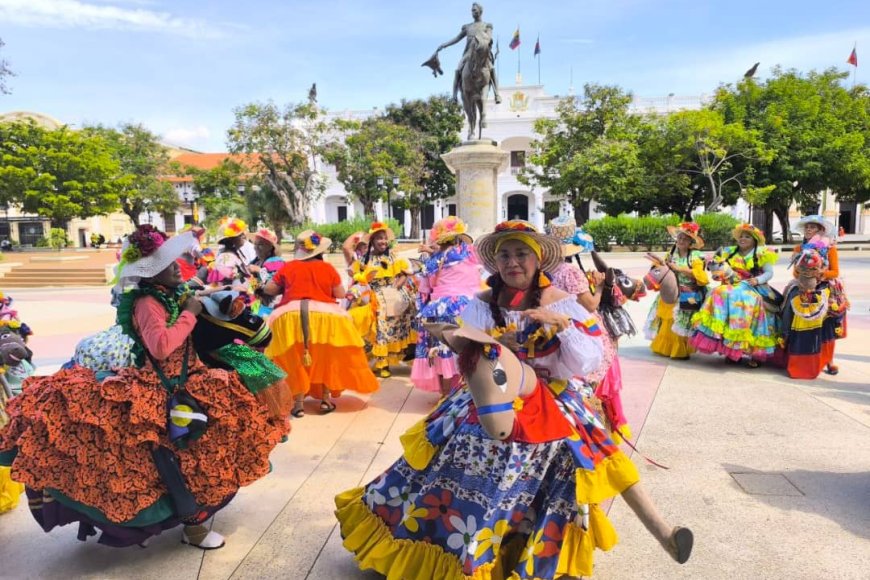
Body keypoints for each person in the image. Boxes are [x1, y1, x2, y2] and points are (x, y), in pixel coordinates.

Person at [335, 221, 693, 579]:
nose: (512, 262)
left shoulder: (563, 301)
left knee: (596, 456)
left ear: (538, 260)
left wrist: (562, 327)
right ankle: (455, 545)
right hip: (494, 394)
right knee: (451, 450)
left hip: (554, 395)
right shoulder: (482, 302)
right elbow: (465, 357)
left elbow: (588, 362)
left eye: (521, 254)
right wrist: (491, 347)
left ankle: (663, 535)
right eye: (504, 255)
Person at [0, 225, 287, 549]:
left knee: (210, 451)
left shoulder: (168, 292)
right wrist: (189, 315)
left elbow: (196, 298)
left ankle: (193, 521)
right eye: (168, 264)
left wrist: (215, 295)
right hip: (165, 388)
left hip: (189, 379)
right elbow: (161, 346)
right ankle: (193, 527)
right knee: (181, 459)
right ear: (151, 273)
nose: (177, 267)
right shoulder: (148, 302)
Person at [264, 230, 379, 418]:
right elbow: (340, 294)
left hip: (290, 316)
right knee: (326, 357)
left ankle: (298, 404)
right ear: (320, 251)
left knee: (294, 357)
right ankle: (325, 400)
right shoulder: (328, 268)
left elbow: (269, 289)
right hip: (327, 316)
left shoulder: (288, 267)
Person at [548, 216, 631, 440]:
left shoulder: (546, 269)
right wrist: (601, 285)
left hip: (556, 326)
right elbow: (591, 304)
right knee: (592, 381)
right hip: (581, 329)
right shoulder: (570, 271)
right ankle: (595, 433)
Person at [690, 223, 780, 367]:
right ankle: (730, 350)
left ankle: (754, 354)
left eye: (747, 237)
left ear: (755, 240)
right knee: (716, 292)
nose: (743, 239)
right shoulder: (730, 252)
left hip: (754, 287)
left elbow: (769, 273)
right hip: (733, 285)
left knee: (741, 300)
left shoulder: (762, 253)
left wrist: (757, 280)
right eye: (741, 236)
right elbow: (722, 270)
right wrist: (718, 274)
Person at [410, 217, 482, 396]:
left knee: (443, 351)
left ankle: (446, 394)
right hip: (469, 306)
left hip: (443, 308)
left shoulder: (436, 259)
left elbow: (424, 284)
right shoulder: (470, 254)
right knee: (467, 349)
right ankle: (467, 392)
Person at [347, 222, 417, 378]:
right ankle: (382, 364)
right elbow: (357, 278)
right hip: (374, 295)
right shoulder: (365, 260)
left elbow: (404, 275)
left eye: (385, 238)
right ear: (372, 241)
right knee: (378, 316)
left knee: (411, 307)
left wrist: (395, 288)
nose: (383, 241)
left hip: (394, 291)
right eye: (379, 238)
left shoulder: (393, 257)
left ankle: (409, 353)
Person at [782, 215, 848, 377]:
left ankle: (829, 360)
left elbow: (835, 272)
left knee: (830, 320)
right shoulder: (799, 249)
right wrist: (804, 272)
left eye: (812, 227)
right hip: (803, 284)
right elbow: (795, 273)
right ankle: (785, 337)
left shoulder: (830, 248)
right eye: (806, 227)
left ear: (821, 230)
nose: (808, 230)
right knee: (788, 304)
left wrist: (820, 273)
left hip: (824, 285)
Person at [645, 222, 709, 359]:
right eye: (679, 237)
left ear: (691, 242)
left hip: (688, 292)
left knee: (681, 320)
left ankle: (680, 349)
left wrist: (680, 269)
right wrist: (658, 265)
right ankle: (667, 348)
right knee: (667, 319)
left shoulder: (696, 256)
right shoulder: (670, 253)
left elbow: (702, 277)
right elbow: (662, 268)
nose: (681, 241)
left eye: (685, 239)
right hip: (670, 290)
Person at [434, 2, 502, 105]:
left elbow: (489, 37)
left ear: (480, 11)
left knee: (491, 68)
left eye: (474, 10)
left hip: (482, 53)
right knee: (458, 69)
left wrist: (483, 41)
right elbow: (457, 38)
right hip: (468, 53)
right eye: (472, 10)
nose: (473, 12)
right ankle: (454, 95)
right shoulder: (467, 27)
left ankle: (497, 94)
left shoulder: (487, 26)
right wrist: (445, 45)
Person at [248, 228, 285, 317]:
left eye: (260, 244)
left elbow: (275, 283)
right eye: (255, 244)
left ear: (270, 247)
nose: (256, 247)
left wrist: (259, 271)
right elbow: (253, 284)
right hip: (257, 304)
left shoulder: (275, 261)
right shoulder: (256, 261)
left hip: (270, 306)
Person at [210, 217, 252, 288]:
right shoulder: (227, 256)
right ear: (233, 240)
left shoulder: (232, 253)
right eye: (241, 235)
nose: (244, 236)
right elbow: (226, 279)